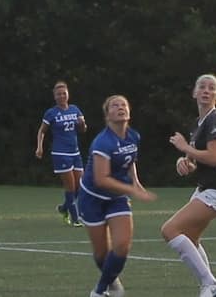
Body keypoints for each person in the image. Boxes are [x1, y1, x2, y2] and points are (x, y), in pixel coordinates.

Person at [161, 70, 216, 297]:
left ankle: (210, 284)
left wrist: (184, 148)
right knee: (190, 238)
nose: (206, 90)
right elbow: (195, 160)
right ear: (194, 92)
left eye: (211, 88)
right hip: (206, 187)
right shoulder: (198, 123)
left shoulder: (215, 119)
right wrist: (184, 163)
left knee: (170, 229)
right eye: (202, 86)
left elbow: (213, 158)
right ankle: (210, 286)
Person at [76, 94, 156, 297]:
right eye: (115, 105)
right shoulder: (102, 142)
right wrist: (131, 190)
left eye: (124, 104)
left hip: (117, 197)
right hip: (92, 198)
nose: (120, 107)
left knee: (121, 246)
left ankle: (99, 291)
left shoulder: (133, 136)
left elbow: (130, 162)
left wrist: (136, 183)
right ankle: (111, 279)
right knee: (102, 254)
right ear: (107, 115)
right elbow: (101, 179)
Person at [35, 80, 88, 226]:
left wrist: (82, 124)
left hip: (75, 153)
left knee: (80, 186)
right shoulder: (51, 113)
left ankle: (64, 208)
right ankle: (75, 218)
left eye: (64, 93)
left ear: (68, 94)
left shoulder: (75, 109)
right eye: (58, 94)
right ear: (55, 96)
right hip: (60, 153)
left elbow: (83, 130)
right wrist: (39, 147)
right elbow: (42, 131)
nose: (62, 96)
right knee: (70, 187)